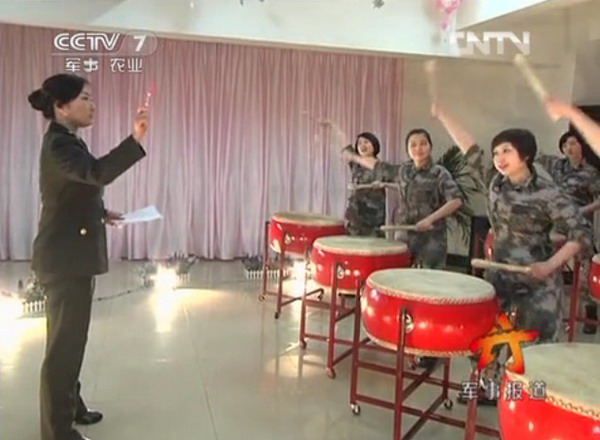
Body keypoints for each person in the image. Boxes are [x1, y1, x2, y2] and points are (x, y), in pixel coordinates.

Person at [432, 102, 592, 403]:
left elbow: (581, 233)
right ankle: (489, 388)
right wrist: (443, 114)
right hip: (501, 275)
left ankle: (527, 403)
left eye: (506, 151)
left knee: (535, 349)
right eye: (496, 153)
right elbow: (469, 148)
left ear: (525, 155)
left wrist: (550, 265)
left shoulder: (548, 193)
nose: (498, 158)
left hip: (538, 282)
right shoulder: (494, 182)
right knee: (485, 339)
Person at [28, 73, 149, 440]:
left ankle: (72, 407)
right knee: (64, 348)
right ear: (61, 106)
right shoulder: (60, 145)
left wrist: (101, 213)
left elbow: (73, 191)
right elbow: (96, 173)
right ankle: (57, 432)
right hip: (65, 261)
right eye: (84, 98)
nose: (92, 105)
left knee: (69, 342)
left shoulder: (68, 141)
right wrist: (135, 139)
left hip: (69, 257)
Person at [342, 128, 463, 269]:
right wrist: (354, 157)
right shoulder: (403, 171)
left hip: (431, 240)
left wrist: (430, 219)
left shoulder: (439, 173)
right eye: (413, 145)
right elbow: (379, 167)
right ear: (407, 150)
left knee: (428, 279)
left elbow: (456, 200)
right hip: (404, 237)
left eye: (423, 144)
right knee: (400, 275)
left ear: (430, 147)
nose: (418, 148)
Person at [537, 130, 600, 334]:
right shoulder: (557, 166)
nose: (568, 148)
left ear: (581, 145)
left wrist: (582, 210)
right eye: (565, 145)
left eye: (572, 143)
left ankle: (589, 313)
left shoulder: (590, 173)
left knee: (585, 267)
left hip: (579, 223)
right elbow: (536, 157)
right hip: (556, 222)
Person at [323, 122, 388, 237]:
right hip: (355, 213)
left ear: (374, 145)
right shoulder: (356, 163)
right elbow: (344, 143)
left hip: (373, 216)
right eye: (359, 143)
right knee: (352, 242)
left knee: (372, 244)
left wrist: (382, 184)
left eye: (366, 142)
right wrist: (333, 126)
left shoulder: (381, 166)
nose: (362, 145)